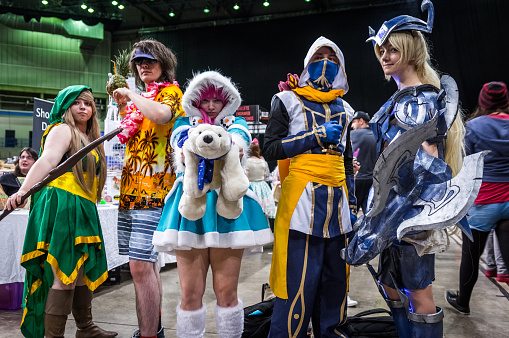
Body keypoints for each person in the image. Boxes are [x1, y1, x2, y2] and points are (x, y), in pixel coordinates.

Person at [354, 1, 468, 336]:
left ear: (412, 51)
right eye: (382, 50)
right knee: (391, 285)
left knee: (418, 290)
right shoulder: (399, 99)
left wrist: (395, 219)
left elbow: (426, 169)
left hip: (410, 211)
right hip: (389, 207)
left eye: (393, 49)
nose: (385, 56)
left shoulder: (420, 101)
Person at [152, 71, 273, 338]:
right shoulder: (183, 123)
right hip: (191, 204)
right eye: (205, 100)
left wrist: (220, 144)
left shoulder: (237, 123)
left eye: (216, 100)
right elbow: (182, 144)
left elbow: (238, 144)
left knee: (227, 293)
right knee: (190, 294)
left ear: (226, 101)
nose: (210, 105)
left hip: (227, 205)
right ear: (195, 100)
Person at [4, 85, 117, 338]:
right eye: (76, 102)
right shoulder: (63, 129)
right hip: (63, 204)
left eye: (88, 103)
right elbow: (47, 160)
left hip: (82, 205)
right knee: (64, 272)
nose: (83, 107)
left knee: (79, 273)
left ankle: (85, 328)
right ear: (65, 107)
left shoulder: (87, 136)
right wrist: (23, 192)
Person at [263, 36, 357, 337]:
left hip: (338, 205)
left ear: (340, 67)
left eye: (333, 58)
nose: (326, 63)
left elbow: (345, 159)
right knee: (298, 284)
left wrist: (353, 205)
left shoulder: (346, 109)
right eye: (319, 57)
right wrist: (314, 137)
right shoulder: (287, 101)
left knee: (335, 284)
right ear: (307, 64)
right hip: (301, 201)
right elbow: (271, 148)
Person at [111, 39, 185, 338]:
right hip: (131, 192)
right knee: (144, 267)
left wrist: (129, 93)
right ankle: (152, 330)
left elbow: (161, 116)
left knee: (140, 267)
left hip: (154, 192)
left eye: (149, 61)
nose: (143, 65)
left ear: (163, 64)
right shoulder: (141, 99)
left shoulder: (171, 93)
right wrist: (126, 102)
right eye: (139, 62)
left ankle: (149, 335)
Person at [446, 81, 509, 313]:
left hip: (483, 201)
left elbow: (466, 164)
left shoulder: (473, 127)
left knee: (471, 256)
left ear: (483, 102)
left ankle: (463, 303)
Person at [350, 111, 377, 214]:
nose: (352, 126)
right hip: (372, 181)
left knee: (350, 213)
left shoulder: (353, 135)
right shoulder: (377, 135)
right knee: (369, 214)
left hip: (356, 179)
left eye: (353, 122)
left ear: (361, 121)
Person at [245, 139, 277, 219]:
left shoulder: (247, 161)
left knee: (251, 212)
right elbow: (266, 176)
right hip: (263, 187)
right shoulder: (263, 162)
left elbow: (246, 176)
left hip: (251, 186)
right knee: (263, 214)